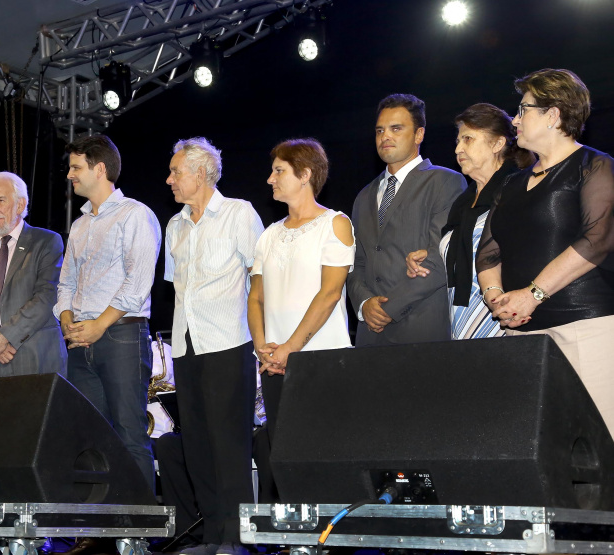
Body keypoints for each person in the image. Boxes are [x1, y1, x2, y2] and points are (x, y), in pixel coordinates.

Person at [476, 68, 614, 435]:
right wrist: (498, 300)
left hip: (585, 327)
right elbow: (488, 253)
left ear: (553, 115)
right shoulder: (511, 183)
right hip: (522, 333)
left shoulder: (594, 166)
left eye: (523, 110)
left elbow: (597, 239)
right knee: (538, 452)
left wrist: (533, 294)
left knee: (600, 449)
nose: (514, 120)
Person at [164, 137, 264, 555]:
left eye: (175, 172)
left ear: (201, 173)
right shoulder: (175, 225)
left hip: (228, 341)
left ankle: (238, 537)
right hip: (186, 346)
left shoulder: (239, 213)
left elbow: (260, 275)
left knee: (229, 444)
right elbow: (177, 288)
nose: (169, 179)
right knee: (198, 446)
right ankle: (211, 535)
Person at [246, 138, 355, 498]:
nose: (269, 179)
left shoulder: (335, 224)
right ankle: (298, 537)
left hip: (321, 360)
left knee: (325, 449)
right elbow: (256, 296)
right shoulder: (268, 235)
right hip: (276, 363)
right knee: (285, 452)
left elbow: (329, 294)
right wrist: (263, 347)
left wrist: (292, 347)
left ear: (305, 174)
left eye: (279, 171)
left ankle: (331, 537)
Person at [54, 134, 161, 493]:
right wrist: (67, 319)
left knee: (130, 434)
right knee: (89, 439)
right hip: (80, 339)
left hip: (121, 336)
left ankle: (139, 535)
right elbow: (65, 281)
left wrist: (99, 325)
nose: (70, 174)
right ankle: (95, 533)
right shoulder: (80, 224)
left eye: (76, 167)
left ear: (99, 169)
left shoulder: (136, 214)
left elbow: (138, 282)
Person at [405, 104, 535, 339]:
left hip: (506, 319)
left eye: (468, 139)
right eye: (458, 141)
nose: (458, 149)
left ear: (497, 144)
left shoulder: (519, 189)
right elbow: (466, 250)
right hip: (459, 319)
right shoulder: (463, 201)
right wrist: (433, 253)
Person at [347, 94, 466, 346]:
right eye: (380, 130)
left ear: (419, 135)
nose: (385, 136)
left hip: (421, 327)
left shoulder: (445, 182)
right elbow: (356, 262)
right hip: (370, 333)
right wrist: (365, 303)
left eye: (396, 129)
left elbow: (440, 256)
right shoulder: (364, 195)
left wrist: (388, 309)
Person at [0, 171, 67, 378]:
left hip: (35, 359)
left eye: (0, 200)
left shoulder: (47, 242)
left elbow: (46, 296)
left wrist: (5, 337)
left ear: (20, 205)